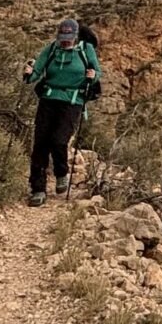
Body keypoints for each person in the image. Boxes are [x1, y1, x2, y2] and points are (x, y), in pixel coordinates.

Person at [22, 18, 101, 207]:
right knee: (40, 143)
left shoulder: (85, 50)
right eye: (62, 37)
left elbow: (96, 72)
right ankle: (38, 189)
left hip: (72, 102)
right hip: (48, 99)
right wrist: (28, 72)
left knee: (59, 140)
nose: (65, 41)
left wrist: (92, 75)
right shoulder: (51, 49)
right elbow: (36, 73)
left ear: (76, 36)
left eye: (69, 38)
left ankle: (61, 173)